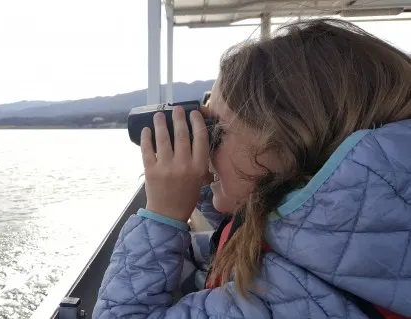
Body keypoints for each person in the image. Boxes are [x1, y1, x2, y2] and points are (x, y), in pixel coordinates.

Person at [94, 18, 411, 318]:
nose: (203, 148)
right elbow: (246, 233)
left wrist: (162, 217)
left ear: (290, 141)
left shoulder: (285, 300)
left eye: (216, 133)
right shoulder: (354, 236)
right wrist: (207, 183)